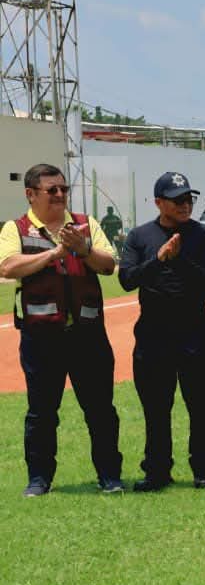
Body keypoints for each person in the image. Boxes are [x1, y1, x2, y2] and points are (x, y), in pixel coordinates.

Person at [0, 163, 124, 496]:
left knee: (100, 410)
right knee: (41, 413)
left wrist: (82, 250)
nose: (59, 195)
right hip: (41, 339)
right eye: (51, 190)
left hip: (88, 336)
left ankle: (110, 476)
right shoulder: (16, 228)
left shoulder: (86, 225)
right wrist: (55, 252)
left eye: (63, 189)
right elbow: (9, 266)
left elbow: (109, 264)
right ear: (30, 194)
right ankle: (39, 479)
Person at [119, 172, 205, 491]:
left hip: (194, 330)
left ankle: (204, 470)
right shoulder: (140, 236)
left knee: (200, 406)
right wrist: (159, 259)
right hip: (153, 332)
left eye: (188, 199)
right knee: (156, 408)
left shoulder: (204, 235)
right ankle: (157, 471)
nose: (185, 205)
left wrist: (178, 260)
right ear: (159, 202)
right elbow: (127, 279)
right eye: (177, 200)